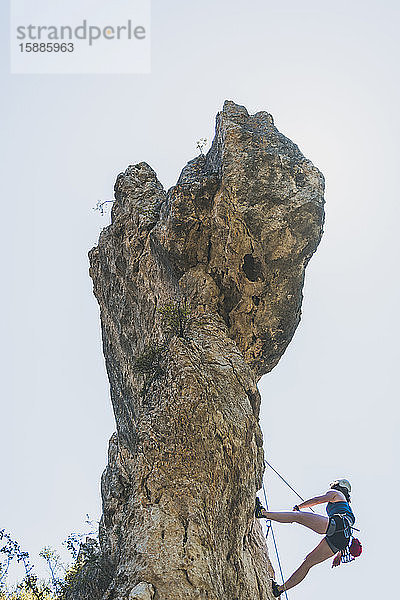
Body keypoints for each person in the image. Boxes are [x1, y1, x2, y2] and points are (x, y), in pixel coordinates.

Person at [255, 478, 356, 597]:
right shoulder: (347, 507)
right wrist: (339, 553)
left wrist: (299, 506)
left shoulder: (336, 493)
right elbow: (345, 531)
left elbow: (317, 500)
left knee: (297, 517)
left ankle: (262, 513)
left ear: (338, 485)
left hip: (333, 526)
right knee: (308, 563)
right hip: (340, 542)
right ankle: (279, 589)